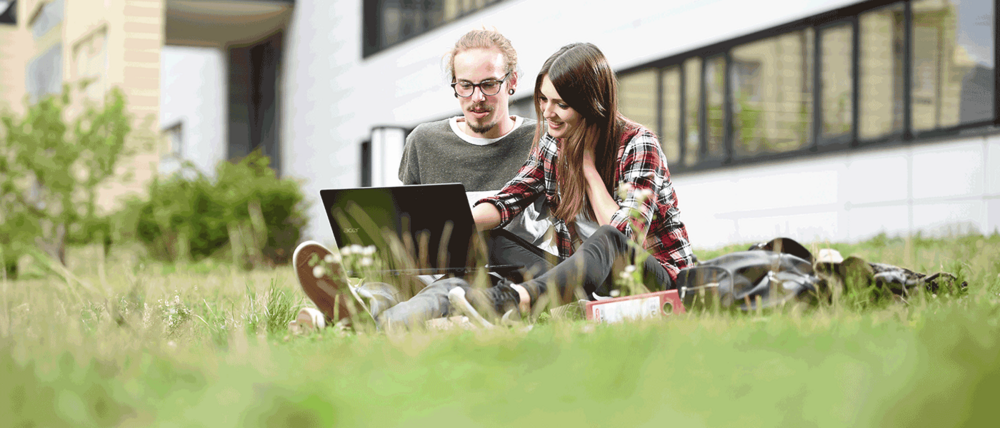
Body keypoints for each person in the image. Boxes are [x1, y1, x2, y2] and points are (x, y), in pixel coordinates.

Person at [294, 42, 694, 330]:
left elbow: (627, 235)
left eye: (561, 105)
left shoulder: (638, 143)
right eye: (543, 100)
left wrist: (587, 168)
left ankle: (517, 300)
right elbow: (508, 199)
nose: (548, 114)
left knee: (605, 239)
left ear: (593, 104)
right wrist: (437, 228)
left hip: (653, 280)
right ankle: (378, 318)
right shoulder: (554, 143)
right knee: (481, 246)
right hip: (578, 282)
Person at [290, 29, 554, 330]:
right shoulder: (424, 141)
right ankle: (357, 305)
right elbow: (408, 226)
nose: (476, 98)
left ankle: (355, 322)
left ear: (512, 82)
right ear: (455, 86)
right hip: (425, 273)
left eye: (489, 85)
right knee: (387, 278)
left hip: (500, 280)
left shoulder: (542, 141)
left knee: (452, 287)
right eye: (465, 86)